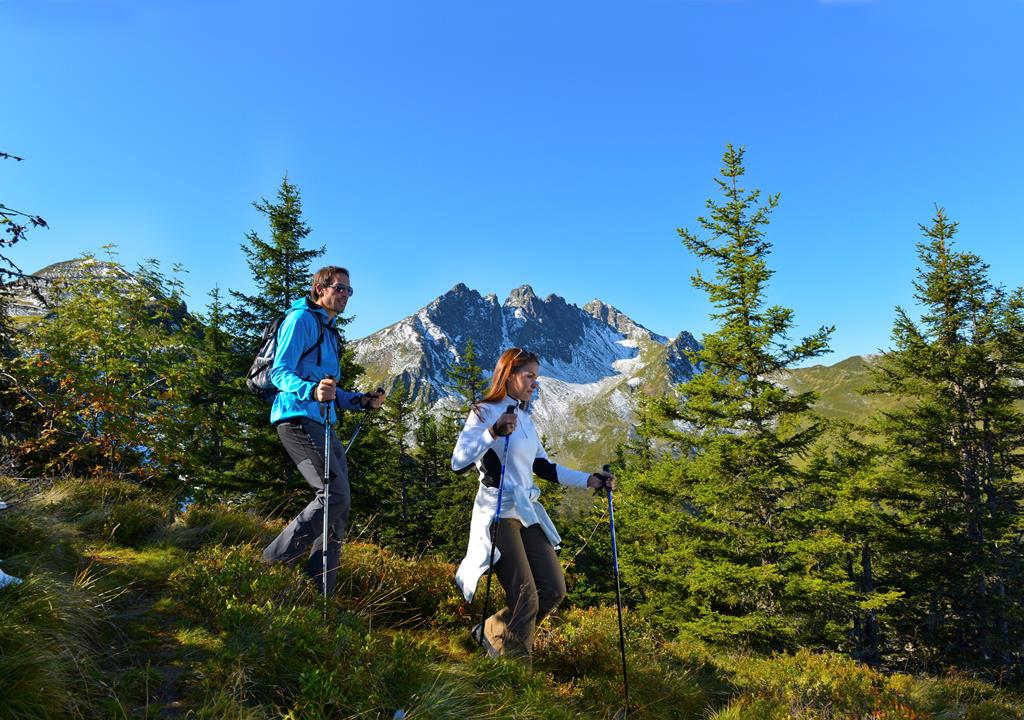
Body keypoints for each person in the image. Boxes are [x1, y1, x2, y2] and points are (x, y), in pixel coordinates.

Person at [452, 347, 615, 660]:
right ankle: (514, 674)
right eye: (529, 376)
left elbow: (544, 467)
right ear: (509, 375)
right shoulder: (483, 411)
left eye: (536, 377)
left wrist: (590, 480)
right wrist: (493, 432)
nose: (534, 383)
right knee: (526, 597)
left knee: (553, 590)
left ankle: (492, 631)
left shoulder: (525, 420)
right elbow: (458, 462)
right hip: (496, 513)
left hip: (526, 512)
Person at [261, 265, 385, 595]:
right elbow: (280, 372)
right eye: (339, 288)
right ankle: (271, 563)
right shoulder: (300, 320)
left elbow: (330, 389)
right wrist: (311, 391)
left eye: (349, 290)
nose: (345, 294)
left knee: (340, 505)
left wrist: (359, 400)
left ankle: (321, 590)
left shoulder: (329, 331)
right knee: (333, 495)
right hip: (297, 419)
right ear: (320, 289)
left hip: (322, 422)